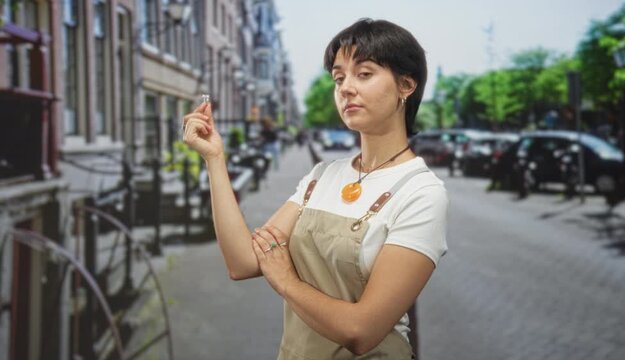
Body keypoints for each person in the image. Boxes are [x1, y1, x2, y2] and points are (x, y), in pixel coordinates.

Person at [183, 18, 448, 359]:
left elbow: (361, 331)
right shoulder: (322, 176)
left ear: (406, 85)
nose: (345, 88)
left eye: (363, 74)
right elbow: (243, 262)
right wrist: (215, 160)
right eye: (339, 78)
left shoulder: (422, 192)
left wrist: (285, 280)